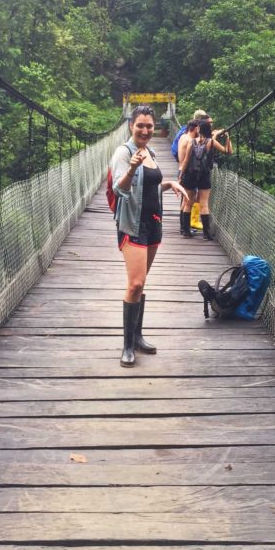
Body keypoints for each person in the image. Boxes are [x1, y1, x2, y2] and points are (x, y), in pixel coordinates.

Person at [111, 104, 188, 367]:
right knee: (134, 284)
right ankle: (127, 346)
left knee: (142, 283)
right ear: (131, 126)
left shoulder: (151, 150)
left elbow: (150, 186)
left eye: (149, 126)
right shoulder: (124, 153)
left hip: (154, 224)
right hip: (133, 225)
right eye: (140, 125)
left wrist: (169, 184)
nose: (145, 130)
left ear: (154, 128)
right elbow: (120, 190)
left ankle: (139, 336)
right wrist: (131, 169)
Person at [179, 117, 232, 239]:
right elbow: (228, 151)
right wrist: (228, 138)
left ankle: (186, 231)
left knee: (188, 202)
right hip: (204, 175)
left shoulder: (191, 142)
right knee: (204, 204)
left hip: (190, 175)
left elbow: (186, 161)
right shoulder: (212, 142)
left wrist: (181, 177)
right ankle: (206, 234)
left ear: (198, 129)